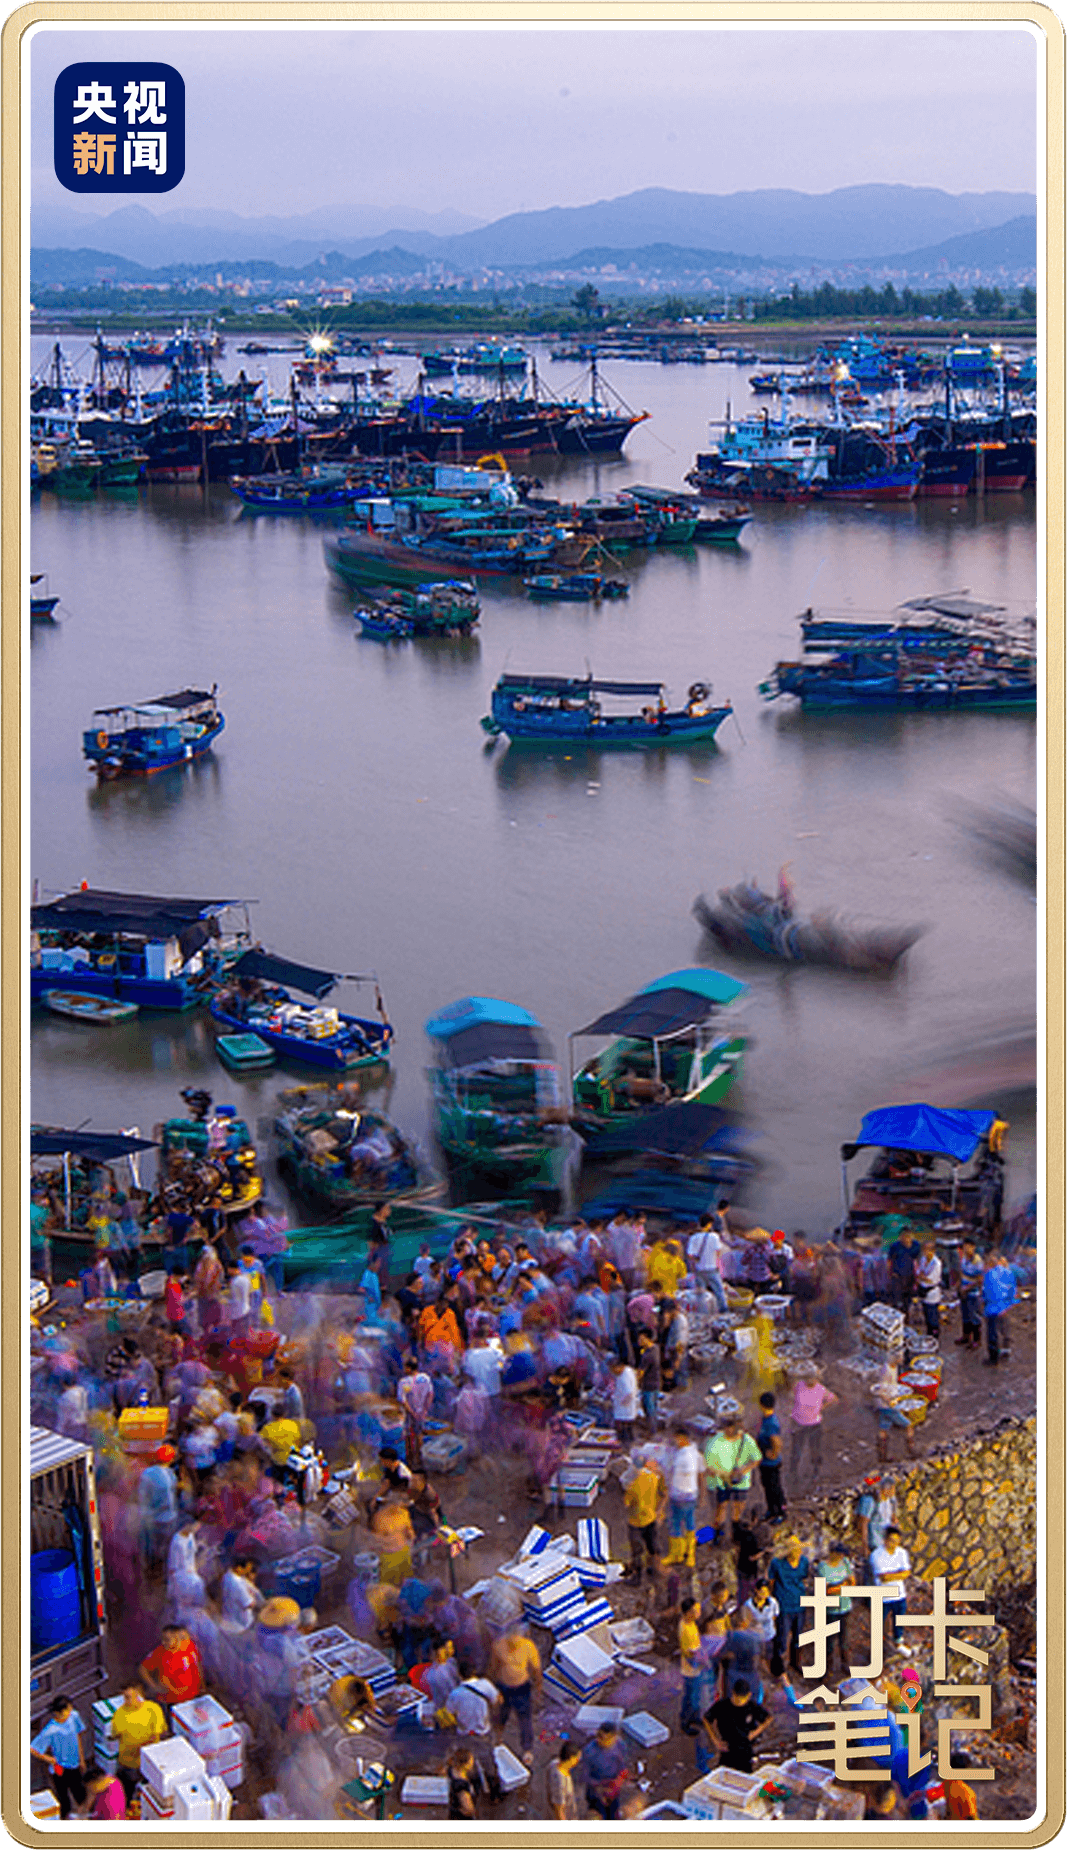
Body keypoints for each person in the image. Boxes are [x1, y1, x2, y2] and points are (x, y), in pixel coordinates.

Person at [704, 1411, 762, 1542]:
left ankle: (736, 1534)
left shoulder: (747, 1440)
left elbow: (757, 1458)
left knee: (738, 1508)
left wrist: (743, 1470)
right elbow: (708, 1465)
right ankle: (719, 1535)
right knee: (721, 1507)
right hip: (722, 1481)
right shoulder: (715, 1441)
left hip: (740, 1482)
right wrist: (722, 1474)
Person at [489, 1626, 541, 1766]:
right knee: (500, 1716)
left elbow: (536, 1669)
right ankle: (498, 1741)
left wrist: (538, 1689)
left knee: (525, 1720)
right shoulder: (498, 1646)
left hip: (522, 1688)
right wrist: (492, 1688)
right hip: (503, 1687)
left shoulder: (528, 1647)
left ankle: (527, 1749)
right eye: (511, 1642)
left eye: (516, 1642)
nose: (514, 1645)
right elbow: (493, 1667)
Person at [110, 1682, 166, 1806]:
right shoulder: (119, 1714)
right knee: (127, 1791)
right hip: (129, 1762)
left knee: (150, 1791)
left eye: (129, 1697)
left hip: (149, 1761)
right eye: (124, 1697)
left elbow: (156, 1734)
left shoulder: (153, 1709)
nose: (126, 1701)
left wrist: (140, 1749)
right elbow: (115, 1734)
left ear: (139, 1695)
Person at [30, 1696, 87, 1818]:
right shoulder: (50, 1730)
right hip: (59, 1767)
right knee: (63, 1795)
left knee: (79, 1791)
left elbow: (78, 1736)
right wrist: (49, 1759)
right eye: (68, 1710)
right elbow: (33, 1748)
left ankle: (84, 1813)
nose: (70, 1711)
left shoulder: (74, 1716)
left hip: (74, 1764)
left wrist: (81, 1758)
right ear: (59, 1713)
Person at [702, 1677, 771, 1773]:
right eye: (737, 1698)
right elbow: (706, 1719)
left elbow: (768, 1718)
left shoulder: (752, 1707)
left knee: (746, 1776)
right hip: (727, 1747)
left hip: (745, 1748)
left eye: (743, 1699)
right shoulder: (722, 1705)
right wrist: (715, 1740)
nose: (740, 1702)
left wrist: (755, 1733)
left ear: (749, 1695)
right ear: (733, 1693)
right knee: (725, 1774)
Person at [768, 1534, 809, 1676]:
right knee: (782, 1636)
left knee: (798, 1635)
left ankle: (795, 1661)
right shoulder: (777, 1563)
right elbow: (771, 1583)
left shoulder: (804, 1562)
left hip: (799, 1603)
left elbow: (804, 1577)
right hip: (784, 1604)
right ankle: (778, 1666)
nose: (798, 1553)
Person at [664, 1425, 705, 1570]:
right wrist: (702, 1496)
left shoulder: (685, 1455)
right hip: (685, 1495)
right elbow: (701, 1475)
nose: (674, 1441)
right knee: (686, 1524)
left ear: (682, 1438)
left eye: (676, 1438)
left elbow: (700, 1475)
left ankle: (681, 1554)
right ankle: (685, 1554)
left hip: (683, 1496)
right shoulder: (694, 1454)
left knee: (679, 1524)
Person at [789, 1365, 837, 1485]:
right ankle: (793, 1473)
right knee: (796, 1451)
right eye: (808, 1378)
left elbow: (834, 1399)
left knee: (815, 1450)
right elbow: (792, 1395)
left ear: (817, 1378)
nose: (810, 1380)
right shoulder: (799, 1385)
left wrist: (822, 1407)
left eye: (813, 1378)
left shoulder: (821, 1390)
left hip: (814, 1425)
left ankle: (816, 1472)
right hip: (798, 1423)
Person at [140, 1622, 205, 1709]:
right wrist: (154, 1687)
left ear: (176, 1638)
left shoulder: (190, 1646)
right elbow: (143, 1669)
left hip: (192, 1696)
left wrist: (202, 1686)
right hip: (171, 1700)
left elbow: (197, 1665)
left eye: (167, 1639)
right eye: (162, 1639)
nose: (163, 1642)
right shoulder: (159, 1652)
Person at [623, 1452, 665, 1584]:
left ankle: (638, 1578)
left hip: (636, 1522)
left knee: (637, 1551)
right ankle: (653, 1570)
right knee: (652, 1546)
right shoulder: (653, 1478)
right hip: (651, 1517)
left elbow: (626, 1503)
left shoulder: (633, 1485)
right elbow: (661, 1492)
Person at [870, 1525, 911, 1659]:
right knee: (878, 1623)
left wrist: (894, 1574)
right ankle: (875, 1651)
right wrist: (899, 1573)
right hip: (882, 1597)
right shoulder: (876, 1555)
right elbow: (883, 1577)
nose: (894, 1544)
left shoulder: (902, 1553)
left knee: (899, 1622)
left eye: (897, 1541)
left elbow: (906, 1573)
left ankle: (898, 1644)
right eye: (892, 1540)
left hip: (900, 1595)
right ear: (885, 1540)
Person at [814, 1539, 856, 1673]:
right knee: (829, 1642)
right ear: (832, 1553)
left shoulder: (845, 1563)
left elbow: (852, 1582)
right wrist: (843, 1585)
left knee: (844, 1639)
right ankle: (827, 1668)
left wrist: (838, 1587)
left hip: (844, 1606)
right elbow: (825, 1590)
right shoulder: (823, 1567)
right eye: (839, 1554)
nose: (841, 1557)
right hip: (830, 1609)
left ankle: (845, 1664)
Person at [580, 1721, 631, 1821]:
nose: (600, 1740)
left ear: (614, 1737)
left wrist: (619, 1781)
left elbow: (623, 1765)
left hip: (614, 1790)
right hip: (595, 1793)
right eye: (599, 1736)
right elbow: (584, 1776)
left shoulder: (620, 1745)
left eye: (605, 1738)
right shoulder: (589, 1752)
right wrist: (600, 1788)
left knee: (613, 1816)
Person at [982, 1250, 1018, 1366]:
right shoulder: (1009, 1272)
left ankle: (993, 1358)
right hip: (1005, 1307)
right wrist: (1009, 1305)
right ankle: (1006, 1351)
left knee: (992, 1333)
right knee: (1004, 1330)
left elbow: (987, 1294)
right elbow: (1013, 1291)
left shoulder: (989, 1275)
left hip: (993, 1308)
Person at [687, 1214, 729, 1311]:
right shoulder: (714, 1236)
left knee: (701, 1294)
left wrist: (697, 1261)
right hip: (712, 1268)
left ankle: (703, 1313)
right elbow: (718, 1252)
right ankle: (723, 1311)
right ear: (709, 1224)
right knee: (719, 1291)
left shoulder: (693, 1237)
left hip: (699, 1269)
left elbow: (690, 1255)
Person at [756, 1391, 785, 1521]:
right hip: (764, 1462)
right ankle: (771, 1510)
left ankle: (779, 1513)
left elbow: (777, 1442)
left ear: (762, 1405)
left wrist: (773, 1454)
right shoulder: (766, 1419)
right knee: (767, 1487)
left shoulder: (771, 1423)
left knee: (773, 1488)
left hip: (770, 1464)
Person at [678, 1595, 704, 1733]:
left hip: (691, 1664)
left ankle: (690, 1717)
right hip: (691, 1666)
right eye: (695, 1611)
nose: (699, 1613)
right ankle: (686, 1722)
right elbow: (693, 1653)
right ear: (688, 1613)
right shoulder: (686, 1630)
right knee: (692, 1696)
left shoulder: (689, 1623)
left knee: (692, 1694)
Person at [221, 1556, 264, 1631]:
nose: (248, 1571)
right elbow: (250, 1604)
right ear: (239, 1568)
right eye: (247, 1568)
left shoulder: (228, 1575)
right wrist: (253, 1596)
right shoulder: (237, 1585)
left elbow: (247, 1583)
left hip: (229, 1616)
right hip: (241, 1625)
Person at [446, 1744, 489, 1819]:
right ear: (465, 1765)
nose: (472, 1763)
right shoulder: (462, 1785)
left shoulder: (451, 1770)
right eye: (471, 1761)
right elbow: (469, 1809)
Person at [956, 1240, 984, 1349]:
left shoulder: (977, 1261)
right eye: (964, 1247)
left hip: (973, 1293)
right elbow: (961, 1272)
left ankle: (977, 1340)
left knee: (975, 1317)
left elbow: (980, 1279)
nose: (966, 1249)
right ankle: (966, 1337)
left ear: (973, 1247)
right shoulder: (964, 1258)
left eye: (968, 1247)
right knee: (965, 1315)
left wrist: (967, 1288)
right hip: (963, 1291)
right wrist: (959, 1286)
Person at [546, 1738, 582, 1820]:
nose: (578, 1760)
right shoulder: (561, 1782)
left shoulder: (554, 1763)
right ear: (572, 1758)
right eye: (578, 1757)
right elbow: (559, 1810)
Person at [914, 1241, 943, 1339]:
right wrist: (921, 1276)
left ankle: (935, 1337)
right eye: (924, 1250)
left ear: (933, 1251)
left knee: (933, 1317)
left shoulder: (937, 1263)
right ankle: (929, 1335)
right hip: (923, 1291)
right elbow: (919, 1272)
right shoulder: (923, 1259)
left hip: (932, 1293)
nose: (925, 1252)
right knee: (926, 1315)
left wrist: (922, 1276)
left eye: (928, 1250)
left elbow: (930, 1279)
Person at [610, 1357, 639, 1443]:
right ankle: (630, 1442)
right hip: (626, 1408)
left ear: (620, 1366)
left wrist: (622, 1403)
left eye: (614, 1368)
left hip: (624, 1410)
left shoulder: (625, 1376)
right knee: (629, 1429)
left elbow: (629, 1393)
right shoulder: (627, 1370)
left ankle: (625, 1445)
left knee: (624, 1430)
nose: (612, 1371)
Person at [637, 1330, 661, 1428]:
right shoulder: (656, 1348)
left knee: (649, 1410)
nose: (639, 1341)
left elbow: (640, 1374)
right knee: (654, 1409)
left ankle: (651, 1431)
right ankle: (653, 1427)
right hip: (656, 1383)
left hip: (648, 1386)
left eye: (642, 1339)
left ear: (648, 1339)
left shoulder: (647, 1356)